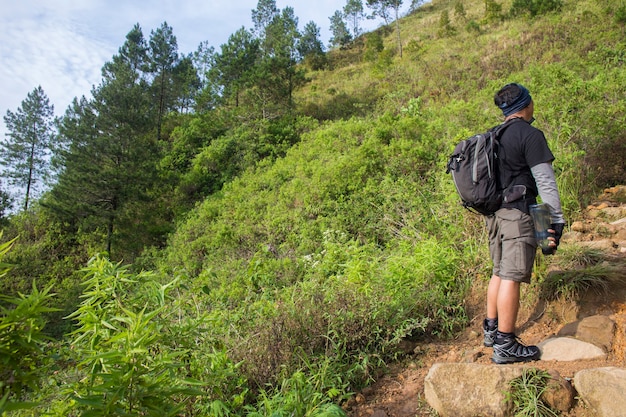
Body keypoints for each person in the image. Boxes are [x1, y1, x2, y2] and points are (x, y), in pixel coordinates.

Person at [482, 83, 566, 364]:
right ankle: (506, 344)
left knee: (498, 271)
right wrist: (557, 220)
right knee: (512, 276)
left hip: (495, 216)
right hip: (517, 215)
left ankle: (491, 331)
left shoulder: (494, 136)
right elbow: (545, 181)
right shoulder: (530, 135)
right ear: (526, 104)